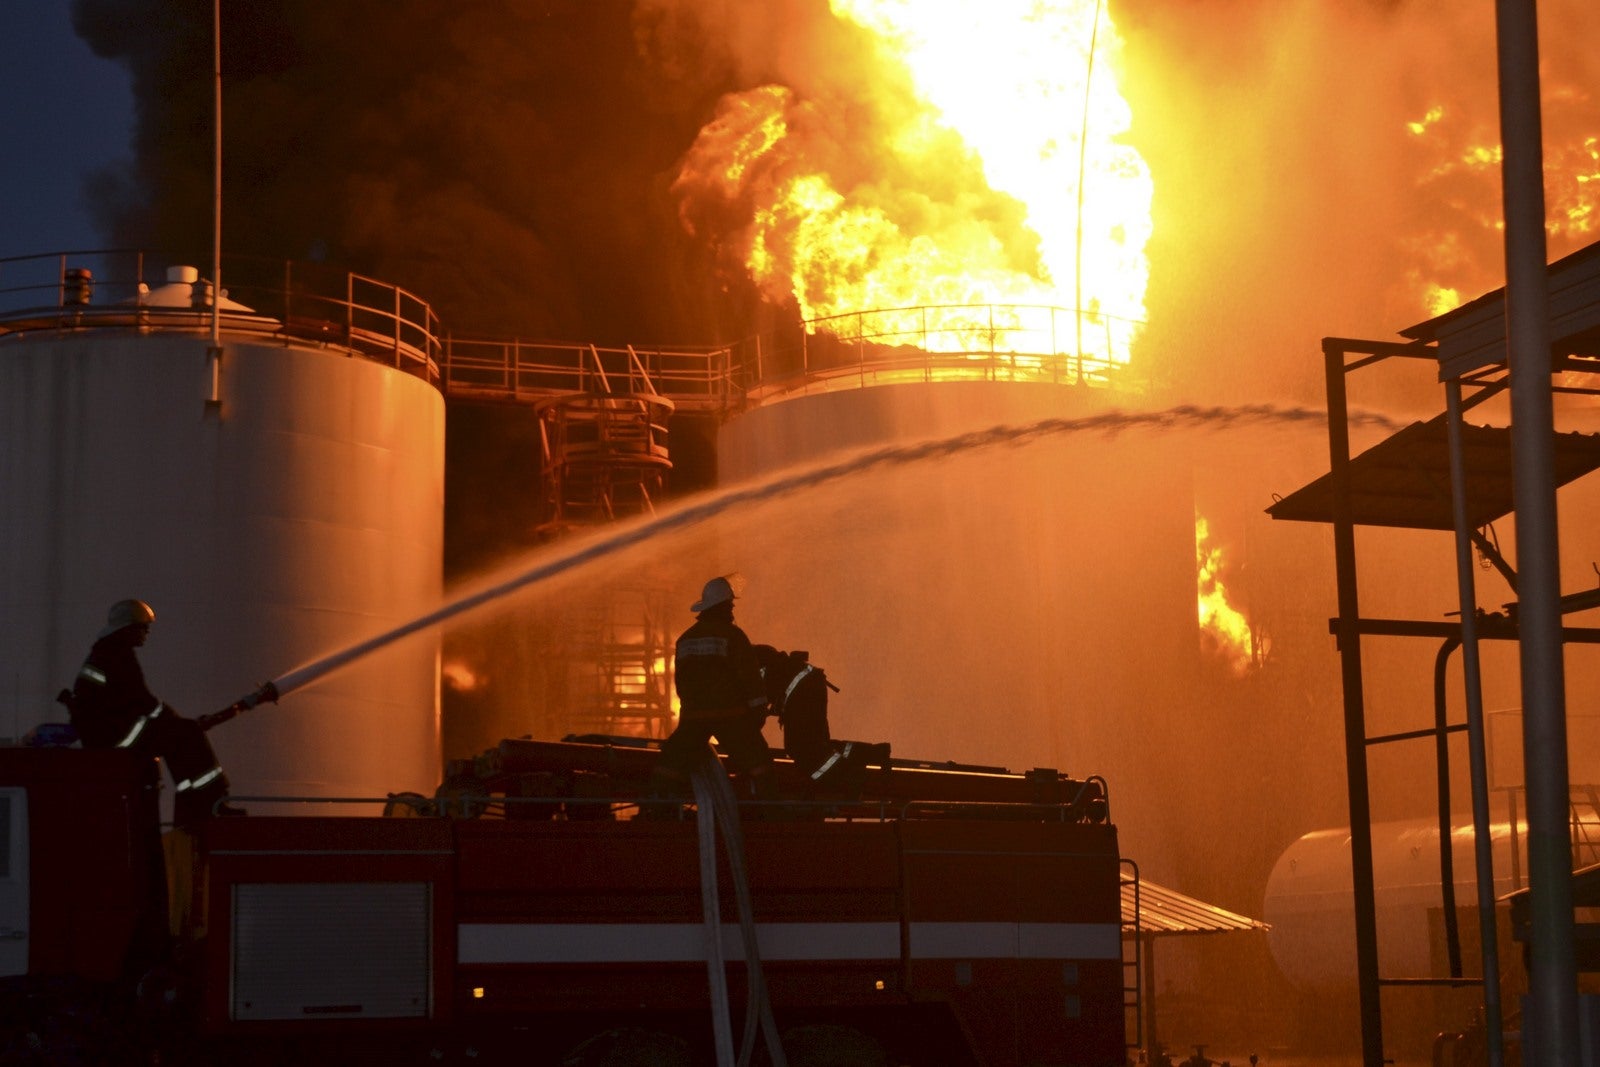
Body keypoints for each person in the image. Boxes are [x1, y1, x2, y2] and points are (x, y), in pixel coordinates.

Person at [64, 599, 243, 828]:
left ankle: (195, 803)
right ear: (128, 628)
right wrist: (177, 721)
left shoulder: (106, 651)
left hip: (105, 734)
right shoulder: (117, 654)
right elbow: (143, 701)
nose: (146, 633)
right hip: (115, 736)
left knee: (178, 737)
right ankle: (212, 801)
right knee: (187, 733)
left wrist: (174, 723)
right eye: (143, 628)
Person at [647, 577, 778, 814]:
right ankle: (770, 810)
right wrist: (757, 713)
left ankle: (657, 807)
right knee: (759, 761)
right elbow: (749, 677)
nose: (732, 611)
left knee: (672, 760)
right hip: (730, 715)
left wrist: (689, 713)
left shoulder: (685, 639)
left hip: (694, 718)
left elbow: (681, 682)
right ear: (722, 606)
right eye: (730, 606)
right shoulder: (733, 636)